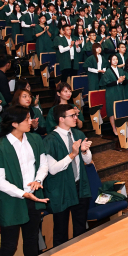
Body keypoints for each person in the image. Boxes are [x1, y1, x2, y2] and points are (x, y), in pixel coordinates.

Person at [0, 106, 49, 256]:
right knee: (9, 245)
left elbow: (43, 163)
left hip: (33, 198)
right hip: (10, 202)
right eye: (26, 119)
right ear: (14, 123)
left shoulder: (34, 139)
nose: (30, 121)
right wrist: (23, 193)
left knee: (32, 241)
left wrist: (38, 180)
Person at [43, 104, 92, 247]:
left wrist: (83, 152)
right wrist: (72, 155)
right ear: (61, 119)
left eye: (76, 115)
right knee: (61, 230)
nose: (76, 118)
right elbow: (52, 169)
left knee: (81, 227)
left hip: (78, 186)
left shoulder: (78, 134)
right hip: (61, 189)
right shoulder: (50, 140)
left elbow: (88, 161)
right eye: (72, 115)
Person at [100, 54, 127, 136]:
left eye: (116, 59)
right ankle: (114, 128)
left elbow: (124, 81)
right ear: (109, 61)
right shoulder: (107, 71)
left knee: (120, 109)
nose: (115, 61)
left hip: (120, 91)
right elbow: (107, 83)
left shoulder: (120, 70)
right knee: (111, 111)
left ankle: (120, 127)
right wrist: (118, 81)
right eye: (113, 59)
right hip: (111, 92)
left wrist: (122, 81)